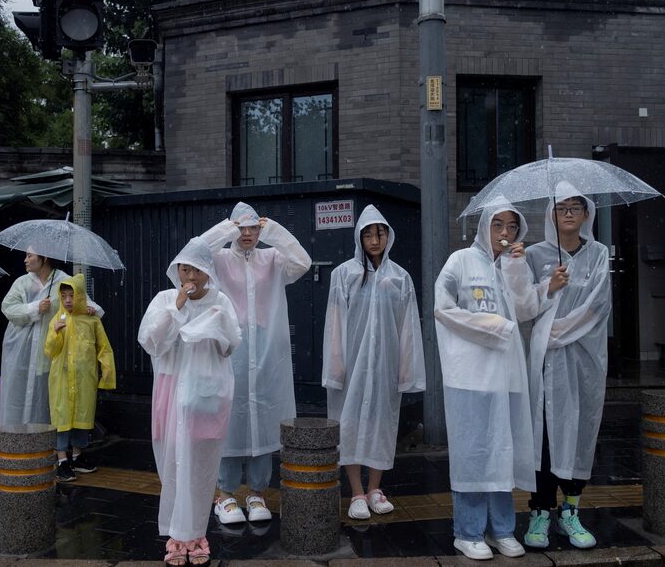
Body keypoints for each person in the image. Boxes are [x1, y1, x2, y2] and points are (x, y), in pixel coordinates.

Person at [434, 199, 539, 560]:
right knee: (473, 453)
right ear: (484, 227)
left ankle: (502, 529)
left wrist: (518, 270)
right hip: (470, 376)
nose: (505, 233)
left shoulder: (514, 264)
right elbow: (443, 308)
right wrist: (492, 326)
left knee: (501, 451)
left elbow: (527, 310)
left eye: (512, 226)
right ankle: (467, 531)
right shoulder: (460, 262)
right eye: (498, 225)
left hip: (507, 376)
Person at [200, 202, 310, 525]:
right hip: (231, 346)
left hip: (264, 347)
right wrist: (225, 229)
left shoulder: (272, 259)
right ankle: (225, 494)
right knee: (229, 415)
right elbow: (195, 253)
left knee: (263, 416)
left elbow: (302, 262)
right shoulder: (220, 260)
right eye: (241, 228)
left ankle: (257, 492)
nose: (247, 234)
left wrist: (273, 230)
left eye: (253, 228)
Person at [138, 237, 241, 567]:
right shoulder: (164, 299)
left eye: (197, 269)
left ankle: (196, 534)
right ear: (176, 270)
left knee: (200, 465)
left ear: (208, 271)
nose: (191, 276)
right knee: (173, 465)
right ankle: (176, 536)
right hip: (170, 391)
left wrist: (218, 325)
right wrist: (177, 307)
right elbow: (151, 341)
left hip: (205, 393)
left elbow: (230, 346)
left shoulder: (221, 301)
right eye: (185, 269)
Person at [522, 182, 612, 550]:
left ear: (587, 214)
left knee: (581, 429)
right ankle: (540, 511)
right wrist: (549, 287)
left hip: (585, 357)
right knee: (544, 433)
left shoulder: (599, 253)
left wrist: (556, 332)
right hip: (547, 360)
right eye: (562, 207)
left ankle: (571, 510)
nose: (569, 213)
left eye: (576, 207)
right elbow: (522, 305)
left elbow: (599, 304)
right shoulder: (535, 255)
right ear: (551, 214)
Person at [322, 205, 425, 519]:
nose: (375, 240)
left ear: (388, 236)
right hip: (352, 365)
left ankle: (375, 489)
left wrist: (406, 366)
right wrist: (335, 364)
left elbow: (408, 326)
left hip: (385, 365)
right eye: (368, 235)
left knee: (382, 425)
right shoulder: (344, 274)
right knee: (350, 424)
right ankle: (356, 491)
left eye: (379, 234)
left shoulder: (399, 278)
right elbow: (335, 323)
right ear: (359, 238)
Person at [0, 252, 101, 434]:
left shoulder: (64, 281)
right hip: (21, 349)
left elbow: (87, 305)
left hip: (49, 349)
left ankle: (45, 439)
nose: (25, 260)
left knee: (47, 396)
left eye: (30, 256)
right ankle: (17, 437)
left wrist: (87, 309)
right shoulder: (22, 282)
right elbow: (8, 308)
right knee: (17, 393)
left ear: (44, 258)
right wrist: (34, 308)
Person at [44, 273, 115, 482]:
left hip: (84, 379)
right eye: (64, 296)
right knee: (62, 418)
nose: (68, 300)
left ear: (81, 296)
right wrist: (55, 333)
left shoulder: (92, 320)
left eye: (72, 295)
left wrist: (108, 373)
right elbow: (50, 351)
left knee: (82, 417)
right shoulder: (57, 320)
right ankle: (62, 460)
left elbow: (104, 348)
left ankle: (77, 456)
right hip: (62, 379)